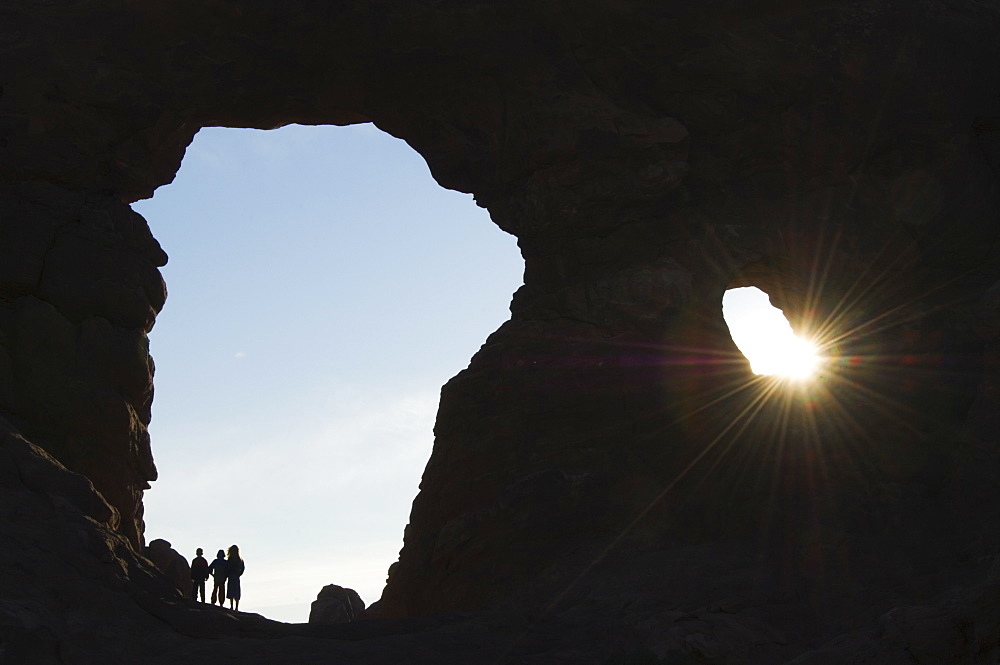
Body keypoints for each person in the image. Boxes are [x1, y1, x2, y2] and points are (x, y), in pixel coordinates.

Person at [226, 544, 245, 611]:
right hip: (236, 576)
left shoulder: (230, 559)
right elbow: (242, 568)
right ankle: (236, 607)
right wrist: (239, 574)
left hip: (232, 576)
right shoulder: (239, 559)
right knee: (236, 591)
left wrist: (227, 574)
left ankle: (232, 606)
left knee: (231, 591)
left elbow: (226, 568)